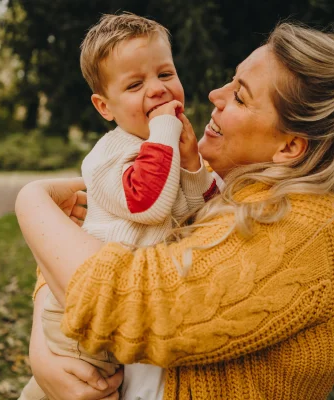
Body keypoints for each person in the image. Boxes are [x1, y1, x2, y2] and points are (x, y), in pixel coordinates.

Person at [16, 22, 334, 400]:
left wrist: (31, 202)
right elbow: (88, 238)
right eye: (230, 82)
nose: (214, 95)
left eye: (240, 96)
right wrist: (44, 345)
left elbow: (123, 298)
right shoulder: (234, 191)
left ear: (289, 147)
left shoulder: (306, 225)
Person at [19, 13, 217, 400]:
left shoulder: (168, 150)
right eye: (135, 84)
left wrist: (192, 163)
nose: (158, 90)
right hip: (83, 311)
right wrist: (165, 131)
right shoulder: (109, 156)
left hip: (124, 305)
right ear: (104, 107)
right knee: (74, 390)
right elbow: (149, 206)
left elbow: (198, 207)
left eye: (165, 74)